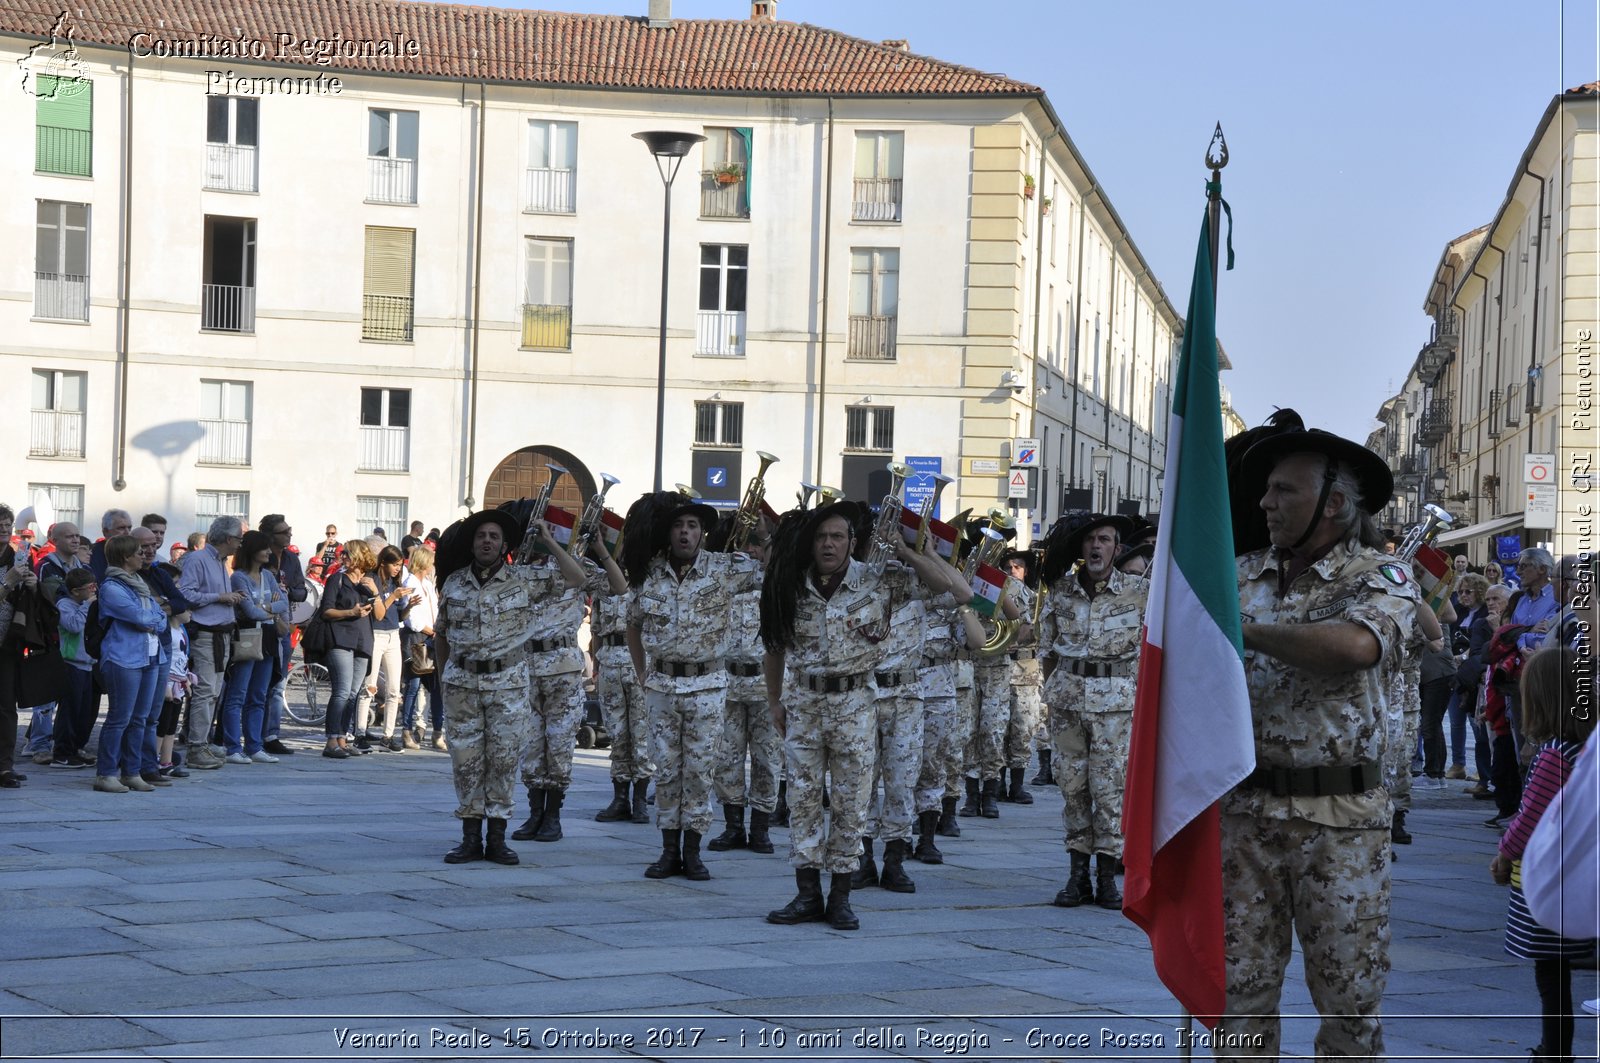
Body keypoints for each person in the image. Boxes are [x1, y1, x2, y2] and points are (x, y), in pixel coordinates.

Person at [1217, 425, 1418, 1060]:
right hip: (1242, 815)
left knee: (1348, 1004)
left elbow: (1356, 647)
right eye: (1266, 490)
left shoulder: (1380, 576)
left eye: (1283, 490)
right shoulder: (1237, 574)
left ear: (1332, 502)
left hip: (1341, 824)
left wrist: (1240, 628)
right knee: (1236, 1003)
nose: (1264, 503)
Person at [759, 500, 948, 929]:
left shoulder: (878, 581)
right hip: (804, 705)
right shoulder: (790, 583)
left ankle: (841, 894)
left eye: (837, 537)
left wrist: (907, 552)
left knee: (850, 802)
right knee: (803, 801)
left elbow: (951, 590)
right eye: (821, 537)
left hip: (855, 705)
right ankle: (807, 894)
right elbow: (774, 644)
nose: (828, 544)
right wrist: (774, 700)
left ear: (853, 543)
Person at [623, 491, 761, 880]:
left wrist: (763, 533)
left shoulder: (725, 569)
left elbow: (772, 568)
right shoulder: (649, 572)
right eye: (679, 526)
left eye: (693, 526)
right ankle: (668, 850)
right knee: (666, 770)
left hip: (707, 685)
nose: (685, 533)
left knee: (700, 771)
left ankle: (694, 850)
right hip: (663, 685)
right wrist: (641, 672)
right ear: (668, 533)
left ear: (703, 533)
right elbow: (632, 624)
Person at [434, 510, 565, 866]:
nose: (486, 541)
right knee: (465, 761)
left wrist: (549, 541)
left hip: (507, 685)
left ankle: (497, 838)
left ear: (505, 545)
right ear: (473, 544)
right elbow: (442, 633)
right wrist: (444, 678)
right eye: (481, 536)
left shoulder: (524, 580)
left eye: (493, 536)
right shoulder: (455, 583)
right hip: (462, 683)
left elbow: (577, 578)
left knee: (504, 761)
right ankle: (470, 838)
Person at [1489, 646, 1597, 1063]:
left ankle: (1554, 1051)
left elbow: (1529, 816)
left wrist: (1503, 855)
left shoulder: (1556, 752)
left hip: (1550, 882)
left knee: (1551, 976)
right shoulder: (1587, 746)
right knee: (1560, 973)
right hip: (1579, 875)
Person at [1037, 511, 1147, 910]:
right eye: (1090, 541)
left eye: (1104, 540)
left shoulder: (1139, 593)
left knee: (1110, 791)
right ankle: (1076, 876)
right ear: (1081, 549)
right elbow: (1046, 651)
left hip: (1115, 708)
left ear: (1118, 549)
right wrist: (1059, 689)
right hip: (1068, 703)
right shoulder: (1061, 592)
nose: (1097, 546)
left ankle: (1106, 877)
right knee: (1072, 788)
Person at [507, 506, 624, 846]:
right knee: (531, 745)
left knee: (558, 744)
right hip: (526, 665)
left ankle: (553, 816)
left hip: (562, 668)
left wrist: (596, 550)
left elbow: (618, 586)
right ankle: (534, 813)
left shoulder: (575, 567)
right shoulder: (519, 571)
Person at [705, 514, 779, 855]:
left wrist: (767, 537)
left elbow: (779, 561)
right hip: (730, 681)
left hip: (766, 683)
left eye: (755, 544)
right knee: (727, 756)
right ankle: (733, 826)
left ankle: (761, 827)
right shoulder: (723, 575)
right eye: (745, 542)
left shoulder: (774, 577)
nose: (749, 550)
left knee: (767, 757)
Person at [93, 535, 169, 793]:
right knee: (119, 717)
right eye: (138, 551)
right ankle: (106, 773)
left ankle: (131, 771)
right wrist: (154, 618)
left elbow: (161, 617)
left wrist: (154, 618)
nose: (144, 554)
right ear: (125, 557)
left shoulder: (139, 583)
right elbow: (139, 616)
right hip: (123, 657)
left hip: (150, 655)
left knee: (140, 718)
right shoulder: (112, 587)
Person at [178, 518, 246, 770]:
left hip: (222, 633)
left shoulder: (220, 562)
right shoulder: (198, 560)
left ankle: (201, 743)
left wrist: (229, 598)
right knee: (206, 690)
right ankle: (196, 746)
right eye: (238, 538)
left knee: (214, 691)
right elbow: (185, 594)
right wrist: (220, 597)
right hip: (206, 634)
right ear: (228, 539)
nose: (240, 543)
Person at [218, 530, 289, 765]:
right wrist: (271, 608)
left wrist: (265, 607)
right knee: (237, 694)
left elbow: (284, 602)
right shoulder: (239, 577)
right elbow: (250, 611)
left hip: (267, 636)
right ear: (252, 550)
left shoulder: (268, 575)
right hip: (247, 635)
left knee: (259, 695)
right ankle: (232, 746)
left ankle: (255, 745)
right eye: (265, 548)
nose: (269, 552)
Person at [317, 540, 376, 759]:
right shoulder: (337, 579)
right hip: (340, 639)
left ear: (360, 557)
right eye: (343, 554)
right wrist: (351, 612)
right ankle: (331, 740)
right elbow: (327, 611)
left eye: (348, 554)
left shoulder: (369, 581)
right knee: (341, 691)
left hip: (363, 641)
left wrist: (376, 593)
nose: (343, 558)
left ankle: (343, 739)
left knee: (353, 694)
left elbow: (379, 614)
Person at [355, 545, 415, 752]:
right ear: (384, 563)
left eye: (400, 565)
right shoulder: (371, 581)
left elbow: (398, 616)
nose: (398, 569)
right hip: (375, 635)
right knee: (369, 687)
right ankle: (360, 733)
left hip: (393, 636)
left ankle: (388, 736)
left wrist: (409, 606)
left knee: (393, 689)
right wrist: (393, 596)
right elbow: (379, 614)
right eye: (395, 564)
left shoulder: (393, 582)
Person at [259, 514, 306, 756]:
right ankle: (253, 734)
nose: (289, 534)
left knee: (278, 684)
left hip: (284, 626)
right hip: (261, 626)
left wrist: (288, 592)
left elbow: (302, 591)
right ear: (271, 536)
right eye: (284, 531)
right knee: (258, 684)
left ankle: (272, 734)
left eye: (289, 530)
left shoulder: (291, 559)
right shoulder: (260, 555)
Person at [400, 546, 443, 750]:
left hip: (431, 637)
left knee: (436, 687)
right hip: (418, 638)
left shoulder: (426, 583)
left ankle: (437, 731)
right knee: (413, 685)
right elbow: (413, 620)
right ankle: (406, 730)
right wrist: (431, 630)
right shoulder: (411, 583)